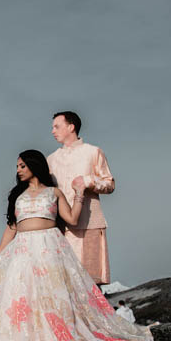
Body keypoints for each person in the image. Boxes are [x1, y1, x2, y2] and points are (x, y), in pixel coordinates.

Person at [0, 150, 152, 341]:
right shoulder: (17, 196)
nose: (18, 170)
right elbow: (11, 226)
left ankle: (58, 339)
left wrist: (80, 194)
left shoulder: (54, 192)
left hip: (49, 246)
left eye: (21, 165)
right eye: (17, 166)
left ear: (33, 165)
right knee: (21, 297)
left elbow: (71, 219)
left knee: (52, 294)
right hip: (22, 249)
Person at [47, 111, 114, 284]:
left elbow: (109, 184)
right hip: (60, 227)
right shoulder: (51, 160)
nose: (53, 131)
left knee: (90, 283)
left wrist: (88, 181)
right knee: (63, 282)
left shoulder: (93, 152)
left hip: (89, 224)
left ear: (71, 127)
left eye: (57, 126)